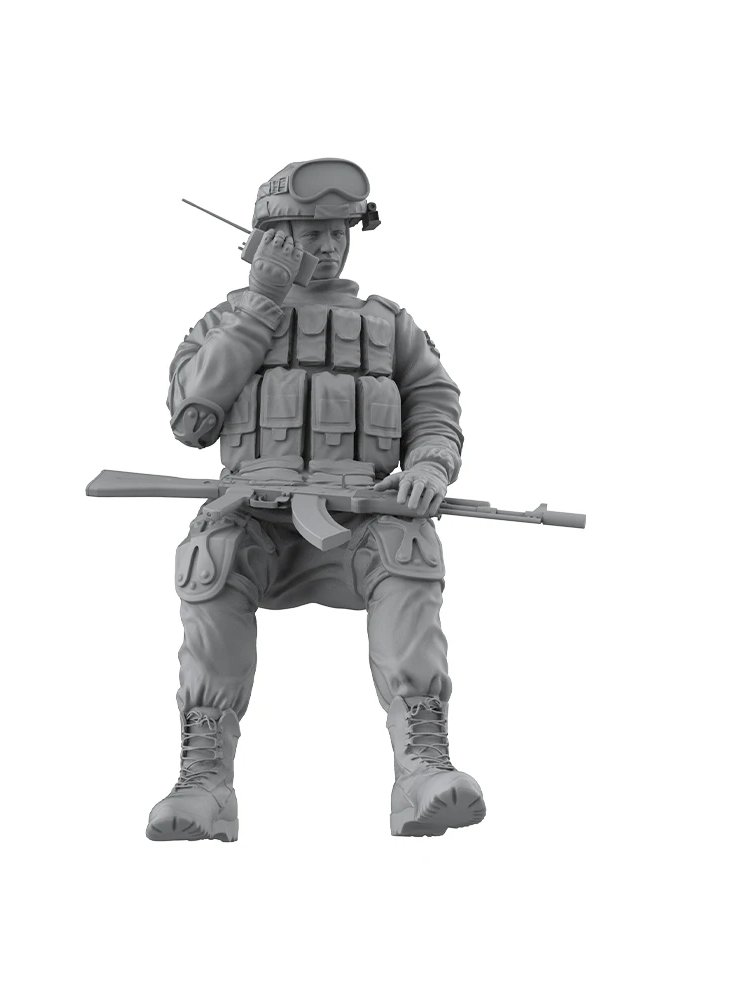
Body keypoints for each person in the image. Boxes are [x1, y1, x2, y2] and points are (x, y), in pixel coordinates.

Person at [149, 159, 485, 840]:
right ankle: (205, 781)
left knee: (409, 548)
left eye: (339, 232)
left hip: (361, 519)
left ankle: (422, 767)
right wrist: (260, 304)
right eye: (310, 234)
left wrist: (429, 465)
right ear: (269, 239)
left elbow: (434, 404)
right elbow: (193, 421)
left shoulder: (389, 325)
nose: (329, 247)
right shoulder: (226, 321)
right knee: (211, 558)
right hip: (255, 519)